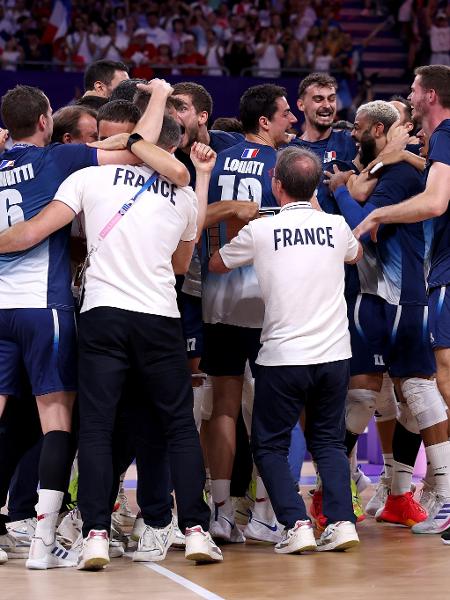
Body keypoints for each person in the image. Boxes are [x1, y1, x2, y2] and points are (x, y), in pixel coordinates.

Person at [0, 117, 223, 569]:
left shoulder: (88, 177)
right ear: (172, 148)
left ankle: (96, 534)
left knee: (97, 428)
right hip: (159, 316)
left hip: (101, 313)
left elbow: (32, 232)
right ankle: (197, 532)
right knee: (178, 426)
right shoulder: (181, 194)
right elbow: (182, 265)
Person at [209, 145, 362, 553]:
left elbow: (217, 263)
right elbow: (356, 253)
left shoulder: (260, 230)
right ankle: (342, 523)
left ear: (275, 184)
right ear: (315, 186)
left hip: (283, 356)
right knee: (328, 442)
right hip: (334, 355)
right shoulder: (335, 225)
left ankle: (295, 525)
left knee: (269, 445)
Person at [330, 97, 450, 533]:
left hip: (404, 294)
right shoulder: (387, 167)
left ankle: (441, 492)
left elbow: (370, 227)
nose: (351, 133)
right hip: (368, 295)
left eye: (358, 127)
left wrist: (343, 190)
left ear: (379, 131)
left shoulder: (401, 172)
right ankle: (341, 490)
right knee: (363, 396)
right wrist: (357, 180)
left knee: (417, 391)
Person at [202, 84, 297, 545]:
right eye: (285, 114)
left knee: (222, 408)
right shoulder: (284, 166)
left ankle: (221, 512)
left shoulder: (217, 159)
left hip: (218, 296)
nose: (292, 120)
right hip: (268, 302)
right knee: (272, 411)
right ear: (265, 121)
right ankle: (266, 512)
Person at [291, 72, 357, 214]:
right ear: (301, 105)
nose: (327, 105)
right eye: (318, 99)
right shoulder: (287, 150)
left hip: (341, 233)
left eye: (331, 99)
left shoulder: (352, 142)